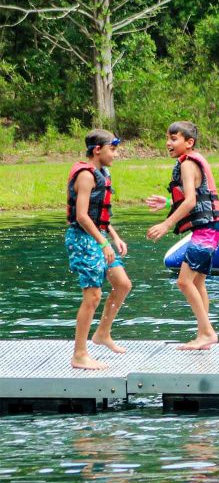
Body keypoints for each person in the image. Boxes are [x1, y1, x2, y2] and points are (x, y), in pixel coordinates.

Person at [146, 121, 219, 350]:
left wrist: (166, 224)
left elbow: (190, 201)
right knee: (198, 282)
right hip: (210, 229)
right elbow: (196, 197)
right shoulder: (192, 161)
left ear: (189, 143)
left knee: (183, 281)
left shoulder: (189, 164)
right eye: (168, 138)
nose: (169, 143)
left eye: (174, 139)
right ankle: (203, 335)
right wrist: (169, 201)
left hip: (206, 231)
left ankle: (208, 332)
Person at [65, 130, 132, 369]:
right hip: (82, 239)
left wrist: (113, 237)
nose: (115, 154)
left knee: (122, 284)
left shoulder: (102, 173)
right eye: (112, 149)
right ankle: (79, 355)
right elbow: (82, 216)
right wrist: (103, 243)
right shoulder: (85, 175)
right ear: (97, 150)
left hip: (98, 236)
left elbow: (98, 214)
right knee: (92, 295)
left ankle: (102, 333)